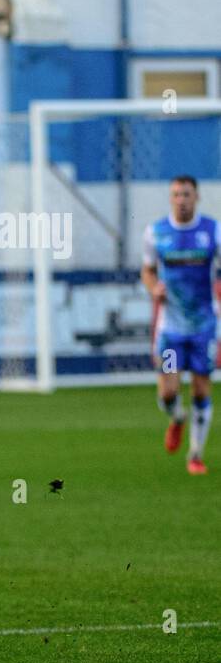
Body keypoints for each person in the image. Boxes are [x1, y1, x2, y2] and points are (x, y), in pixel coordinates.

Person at [141, 175, 219, 475]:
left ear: (196, 197)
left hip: (203, 327)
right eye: (176, 194)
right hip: (171, 332)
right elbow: (147, 271)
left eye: (186, 194)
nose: (181, 200)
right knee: (168, 392)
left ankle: (196, 454)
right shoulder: (156, 233)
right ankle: (177, 419)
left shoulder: (213, 231)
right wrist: (153, 287)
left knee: (201, 388)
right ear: (170, 198)